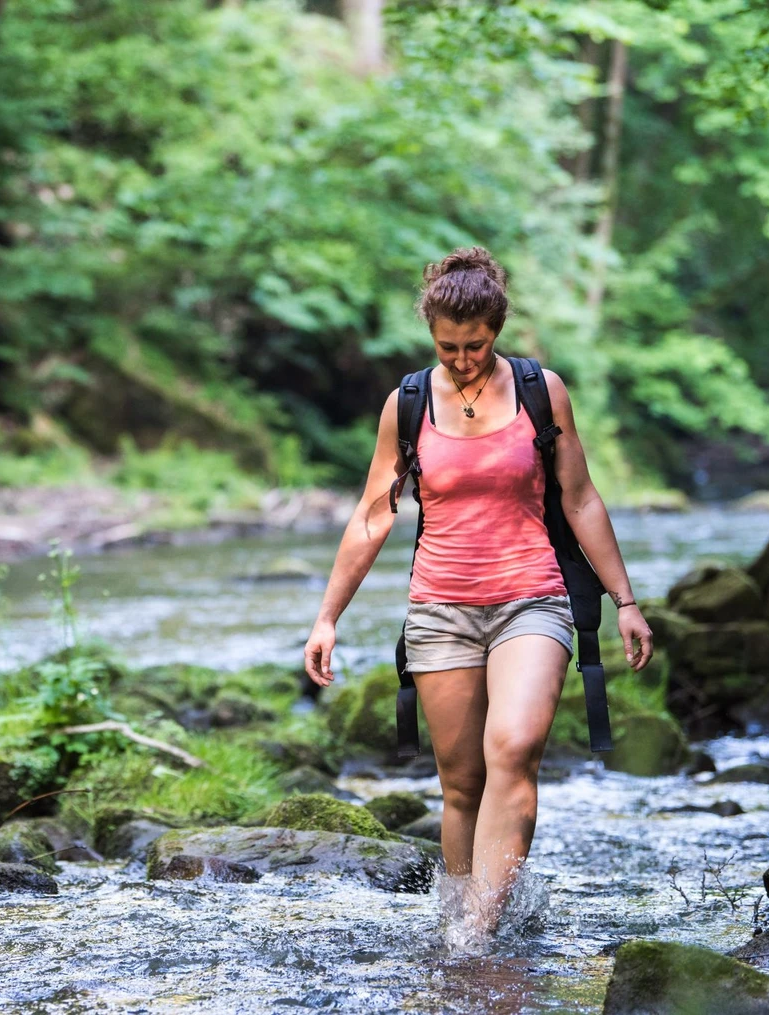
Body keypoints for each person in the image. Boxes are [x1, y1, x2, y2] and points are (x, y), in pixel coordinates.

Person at [302, 246, 654, 943]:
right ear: (431, 332)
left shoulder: (539, 390)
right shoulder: (405, 404)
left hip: (533, 597)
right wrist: (326, 616)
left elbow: (580, 499)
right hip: (439, 609)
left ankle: (479, 931)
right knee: (461, 783)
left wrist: (626, 598)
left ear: (498, 329)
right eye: (449, 346)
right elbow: (375, 513)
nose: (463, 359)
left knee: (514, 747)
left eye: (477, 345)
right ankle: (458, 918)